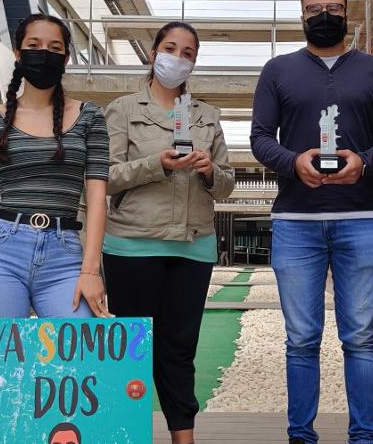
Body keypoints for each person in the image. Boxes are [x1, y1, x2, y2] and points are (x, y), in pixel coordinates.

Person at [250, 0, 373, 444]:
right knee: (301, 339)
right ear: (301, 15)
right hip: (296, 222)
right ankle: (301, 435)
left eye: (334, 8)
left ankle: (364, 438)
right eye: (314, 9)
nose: (324, 16)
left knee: (360, 338)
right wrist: (293, 163)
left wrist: (365, 162)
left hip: (361, 218)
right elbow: (260, 138)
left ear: (347, 13)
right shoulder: (278, 70)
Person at [103, 22, 235, 444]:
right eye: (170, 48)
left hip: (193, 247)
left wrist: (210, 171)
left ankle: (184, 437)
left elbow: (227, 182)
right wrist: (156, 164)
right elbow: (105, 177)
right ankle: (125, 433)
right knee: (130, 348)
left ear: (194, 63)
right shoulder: (122, 109)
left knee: (180, 349)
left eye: (188, 53)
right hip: (131, 245)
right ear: (153, 53)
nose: (178, 58)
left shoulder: (207, 116)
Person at [0, 14, 112, 324]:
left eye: (55, 48)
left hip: (64, 252)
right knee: (7, 354)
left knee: (79, 347)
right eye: (34, 45)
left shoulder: (90, 116)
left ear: (66, 59)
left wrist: (91, 270)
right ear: (18, 52)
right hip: (2, 250)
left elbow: (98, 198)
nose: (44, 53)